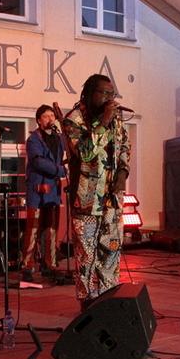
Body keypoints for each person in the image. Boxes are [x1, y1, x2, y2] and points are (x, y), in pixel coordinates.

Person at [62, 74, 130, 309]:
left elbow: (124, 146)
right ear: (90, 93)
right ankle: (88, 304)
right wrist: (104, 120)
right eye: (104, 93)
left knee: (111, 251)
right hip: (87, 200)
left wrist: (123, 172)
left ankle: (109, 301)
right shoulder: (73, 120)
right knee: (87, 256)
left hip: (112, 199)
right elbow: (85, 153)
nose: (109, 98)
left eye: (112, 94)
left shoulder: (117, 119)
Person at [21, 104, 65, 282]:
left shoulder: (58, 138)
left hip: (53, 190)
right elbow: (38, 162)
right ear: (39, 120)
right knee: (33, 228)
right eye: (46, 116)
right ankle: (27, 266)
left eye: (52, 116)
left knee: (51, 228)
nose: (50, 119)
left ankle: (50, 264)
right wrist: (60, 170)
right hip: (38, 190)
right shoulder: (33, 140)